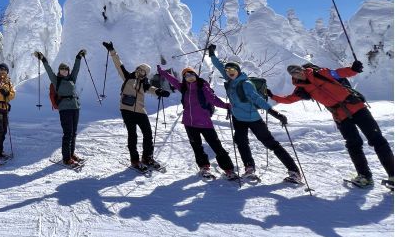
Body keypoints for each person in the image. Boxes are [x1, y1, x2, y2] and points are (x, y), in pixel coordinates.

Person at [269, 61, 393, 188]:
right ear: (293, 76)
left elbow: (338, 73)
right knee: (353, 144)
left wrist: (353, 69)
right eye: (295, 73)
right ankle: (364, 177)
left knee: (377, 140)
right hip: (340, 116)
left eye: (299, 70)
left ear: (302, 69)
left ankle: (392, 175)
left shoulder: (320, 73)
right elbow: (289, 99)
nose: (299, 74)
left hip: (356, 107)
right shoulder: (301, 88)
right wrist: (272, 96)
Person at [208, 45, 301, 183]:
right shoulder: (229, 79)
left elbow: (257, 99)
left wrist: (273, 112)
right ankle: (249, 168)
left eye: (232, 70)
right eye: (227, 70)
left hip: (253, 119)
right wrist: (211, 54)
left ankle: (294, 171)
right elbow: (219, 66)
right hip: (238, 118)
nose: (229, 72)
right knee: (241, 142)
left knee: (270, 143)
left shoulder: (246, 83)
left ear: (238, 71)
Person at [156, 65, 237, 179]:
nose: (189, 77)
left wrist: (225, 105)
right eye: (186, 75)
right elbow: (173, 80)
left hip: (205, 122)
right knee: (197, 147)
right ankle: (204, 167)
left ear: (196, 75)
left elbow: (212, 99)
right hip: (189, 124)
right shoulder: (183, 88)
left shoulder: (202, 86)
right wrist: (162, 72)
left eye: (191, 74)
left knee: (216, 146)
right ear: (184, 78)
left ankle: (229, 169)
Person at [103, 42, 169, 171]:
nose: (140, 72)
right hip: (126, 109)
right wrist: (112, 50)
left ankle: (147, 157)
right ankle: (135, 160)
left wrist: (159, 91)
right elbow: (118, 65)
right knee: (132, 135)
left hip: (140, 110)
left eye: (143, 71)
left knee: (148, 134)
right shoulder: (128, 77)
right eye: (139, 69)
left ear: (145, 74)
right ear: (136, 69)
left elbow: (152, 89)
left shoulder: (144, 84)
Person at [36, 49, 86, 165]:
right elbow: (48, 70)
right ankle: (66, 158)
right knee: (68, 133)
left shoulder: (72, 78)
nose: (64, 71)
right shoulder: (56, 80)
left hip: (75, 107)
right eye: (62, 69)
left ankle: (71, 153)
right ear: (59, 71)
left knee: (73, 133)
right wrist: (43, 59)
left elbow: (76, 69)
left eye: (66, 69)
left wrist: (78, 57)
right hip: (64, 109)